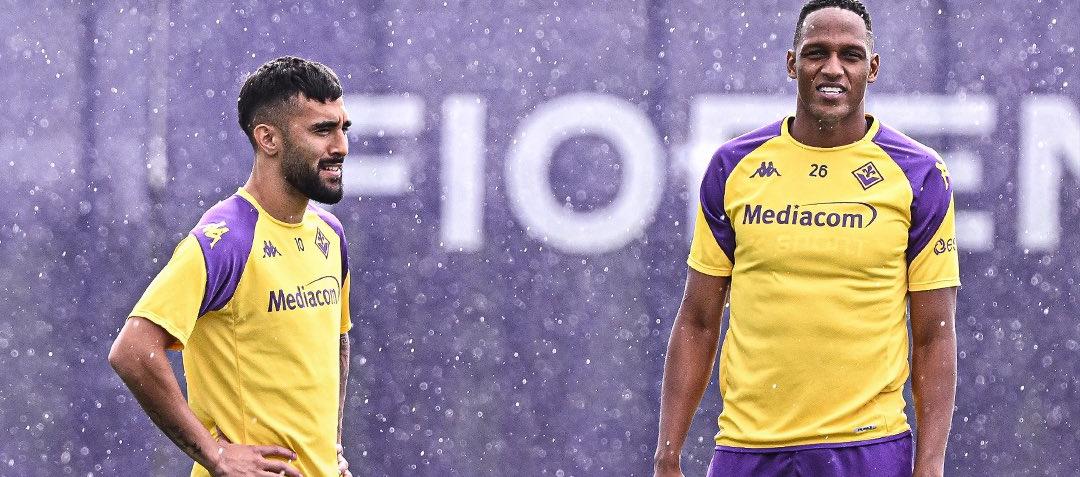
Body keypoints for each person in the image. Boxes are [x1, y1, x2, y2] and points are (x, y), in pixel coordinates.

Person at [653, 1, 960, 476]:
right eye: (817, 52)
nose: (832, 68)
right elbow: (697, 320)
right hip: (746, 448)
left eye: (851, 55)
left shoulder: (918, 174)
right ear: (792, 62)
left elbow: (934, 337)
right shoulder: (733, 167)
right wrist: (668, 453)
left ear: (872, 68)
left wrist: (931, 465)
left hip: (867, 450)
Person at [109, 56, 355, 477]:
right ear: (268, 138)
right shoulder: (227, 240)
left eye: (342, 128)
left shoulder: (329, 233)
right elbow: (133, 351)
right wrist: (215, 454)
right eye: (322, 130)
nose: (340, 147)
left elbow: (336, 341)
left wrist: (328, 449)